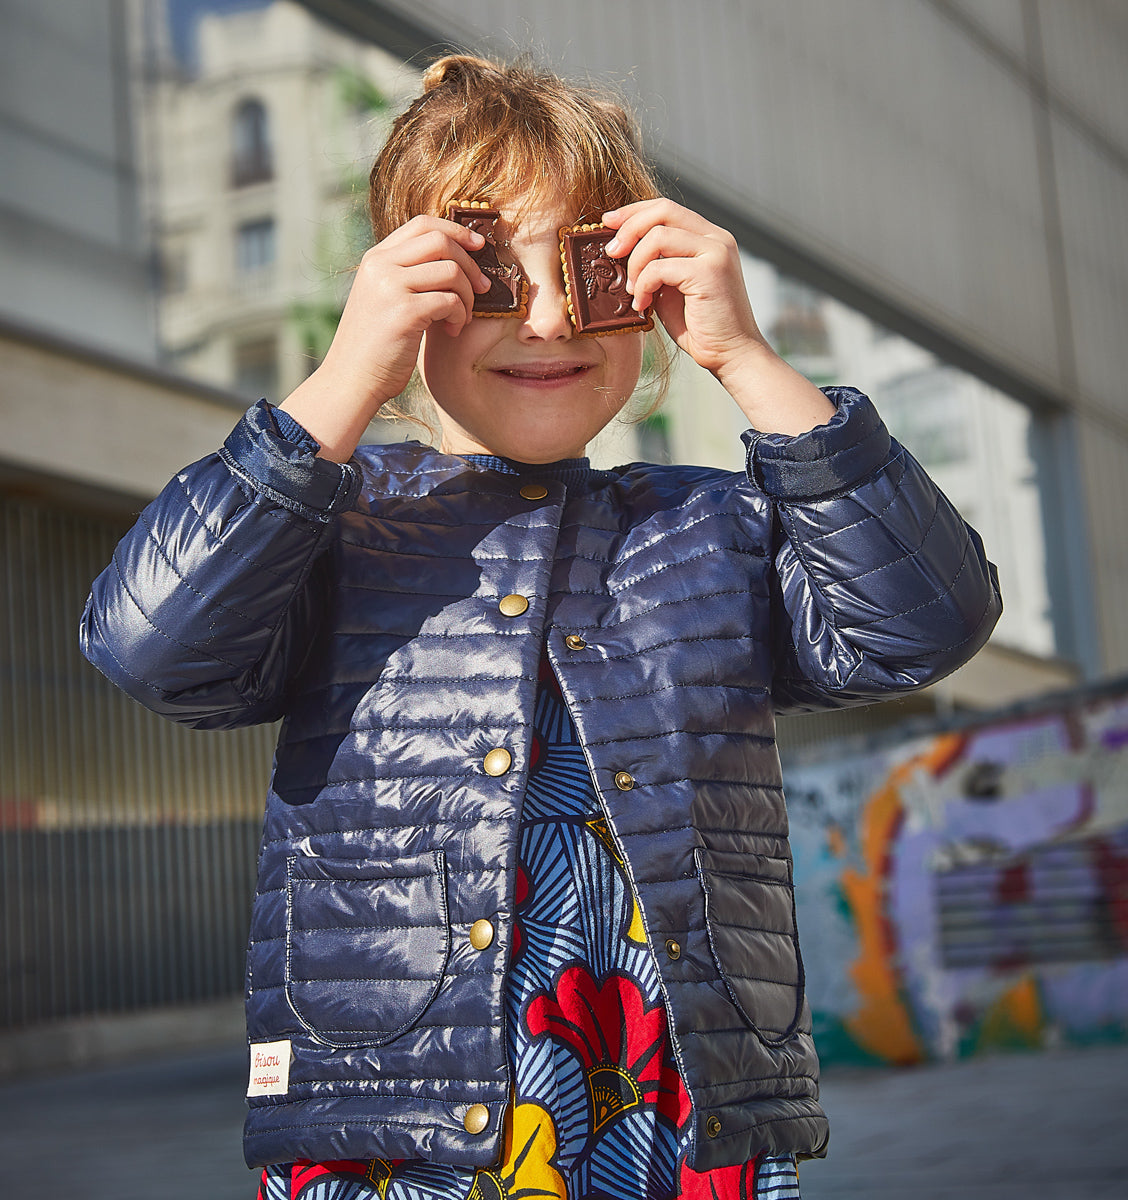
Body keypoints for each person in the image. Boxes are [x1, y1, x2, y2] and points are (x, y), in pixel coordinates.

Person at [81, 54, 1000, 1200]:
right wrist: (344, 375)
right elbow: (151, 646)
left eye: (591, 265)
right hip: (399, 1126)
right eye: (491, 275)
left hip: (677, 1112)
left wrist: (749, 359)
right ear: (406, 291)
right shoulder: (334, 526)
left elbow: (924, 625)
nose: (553, 317)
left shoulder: (713, 527)